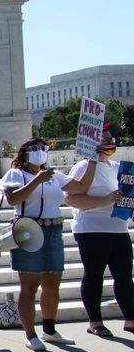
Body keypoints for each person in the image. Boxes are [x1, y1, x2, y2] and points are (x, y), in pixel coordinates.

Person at [1, 138, 73, 351]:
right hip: (28, 229)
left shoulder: (52, 176)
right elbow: (13, 199)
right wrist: (36, 181)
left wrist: (94, 160)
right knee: (29, 286)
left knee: (52, 284)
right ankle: (30, 334)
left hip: (53, 229)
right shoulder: (17, 173)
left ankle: (49, 330)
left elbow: (80, 186)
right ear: (24, 153)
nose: (40, 151)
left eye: (43, 148)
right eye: (35, 148)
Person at [62, 129, 134, 337]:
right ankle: (95, 321)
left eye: (111, 138)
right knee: (94, 275)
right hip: (92, 229)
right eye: (104, 139)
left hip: (119, 228)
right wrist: (106, 200)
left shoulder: (119, 167)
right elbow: (71, 199)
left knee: (124, 276)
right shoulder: (82, 167)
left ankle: (130, 319)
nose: (110, 142)